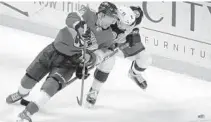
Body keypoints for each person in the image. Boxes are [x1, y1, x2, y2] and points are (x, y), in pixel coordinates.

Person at [5, 2, 118, 122]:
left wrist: (88, 60)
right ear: (101, 15)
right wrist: (79, 27)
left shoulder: (108, 36)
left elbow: (100, 54)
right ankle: (21, 93)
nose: (113, 21)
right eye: (111, 18)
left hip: (69, 62)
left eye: (115, 19)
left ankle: (28, 112)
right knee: (26, 82)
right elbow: (71, 16)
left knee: (50, 87)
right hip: (52, 51)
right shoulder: (87, 13)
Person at [86, 5, 152, 106]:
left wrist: (133, 34)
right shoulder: (107, 22)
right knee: (109, 62)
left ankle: (134, 73)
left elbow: (136, 23)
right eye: (124, 25)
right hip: (109, 43)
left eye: (129, 25)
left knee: (145, 59)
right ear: (117, 19)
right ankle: (94, 90)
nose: (127, 27)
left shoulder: (134, 16)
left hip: (125, 41)